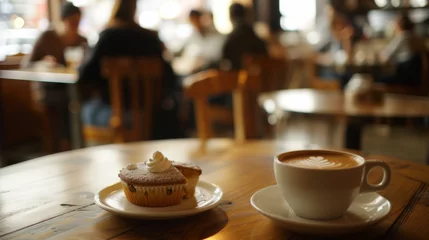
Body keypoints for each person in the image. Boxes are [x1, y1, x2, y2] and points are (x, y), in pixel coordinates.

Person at [78, 0, 182, 139]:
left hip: (115, 114)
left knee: (82, 109)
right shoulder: (149, 38)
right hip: (150, 115)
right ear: (134, 8)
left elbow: (85, 75)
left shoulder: (108, 36)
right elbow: (170, 77)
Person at [23, 2, 87, 151]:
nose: (75, 26)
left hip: (73, 88)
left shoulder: (81, 40)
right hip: (49, 90)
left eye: (77, 22)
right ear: (62, 20)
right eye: (72, 22)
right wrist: (43, 63)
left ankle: (75, 146)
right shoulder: (48, 37)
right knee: (66, 103)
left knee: (78, 101)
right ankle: (66, 148)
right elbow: (27, 64)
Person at [378, 12, 427, 86]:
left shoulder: (402, 37)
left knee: (378, 79)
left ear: (399, 25)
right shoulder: (417, 38)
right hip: (417, 77)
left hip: (404, 76)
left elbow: (385, 57)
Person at [175, 10, 224, 75]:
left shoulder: (215, 36)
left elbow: (215, 55)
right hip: (194, 69)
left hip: (208, 71)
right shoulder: (193, 34)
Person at [221, 3, 267, 70]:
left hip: (235, 78)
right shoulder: (253, 35)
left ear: (230, 16)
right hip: (258, 79)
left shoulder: (231, 38)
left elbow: (223, 60)